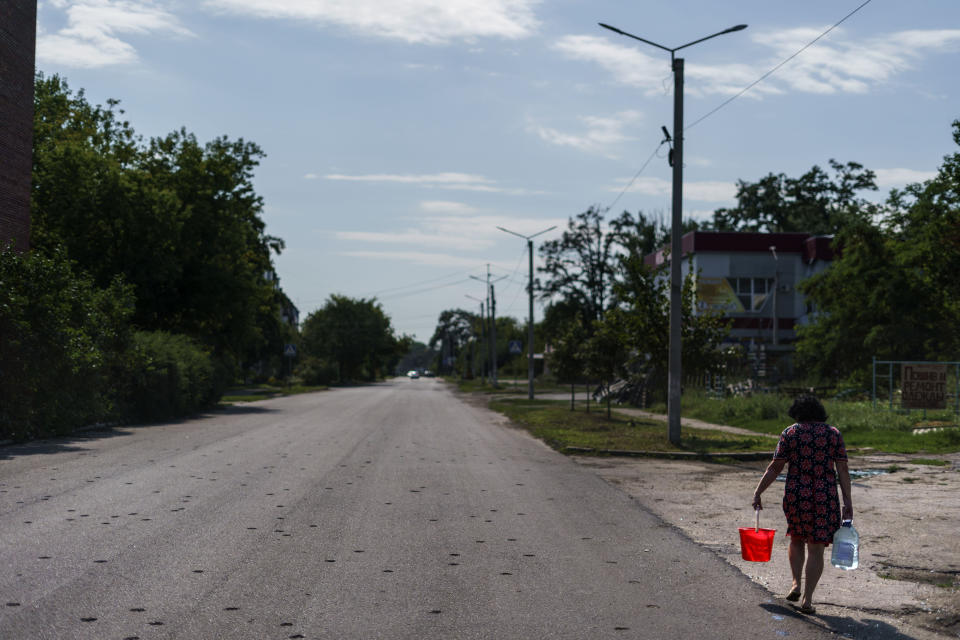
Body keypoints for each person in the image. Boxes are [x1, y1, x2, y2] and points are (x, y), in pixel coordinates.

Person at [752, 394, 853, 614]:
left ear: (798, 413)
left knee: (797, 539)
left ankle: (796, 583)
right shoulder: (833, 434)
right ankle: (807, 600)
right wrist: (848, 501)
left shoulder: (791, 432)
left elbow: (775, 467)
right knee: (816, 548)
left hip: (796, 495)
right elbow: (843, 470)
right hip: (824, 497)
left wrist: (758, 491)